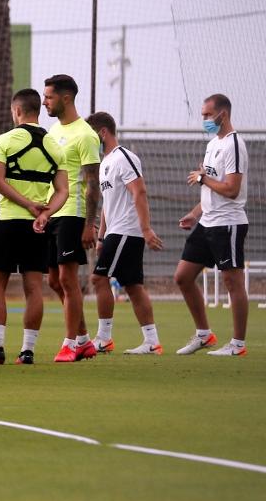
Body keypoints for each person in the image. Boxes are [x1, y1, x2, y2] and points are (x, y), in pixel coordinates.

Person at [0, 89, 69, 366]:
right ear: (37, 110)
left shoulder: (5, 140)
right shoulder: (55, 146)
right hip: (37, 226)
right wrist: (46, 212)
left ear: (16, 111)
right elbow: (63, 190)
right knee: (34, 288)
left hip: (7, 220)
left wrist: (27, 205)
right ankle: (27, 352)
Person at [173, 93, 251, 356]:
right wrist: (195, 213)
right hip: (207, 222)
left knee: (232, 281)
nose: (204, 119)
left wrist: (203, 179)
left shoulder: (234, 144)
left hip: (228, 223)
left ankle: (238, 344)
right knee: (183, 277)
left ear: (223, 115)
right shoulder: (212, 145)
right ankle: (204, 335)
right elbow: (210, 185)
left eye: (207, 115)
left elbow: (231, 189)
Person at [85, 111, 165, 355]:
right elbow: (108, 205)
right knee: (132, 285)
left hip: (127, 231)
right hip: (115, 233)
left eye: (90, 136)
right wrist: (101, 237)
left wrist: (146, 229)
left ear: (102, 133)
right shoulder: (104, 164)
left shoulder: (124, 157)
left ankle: (104, 338)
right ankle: (152, 341)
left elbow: (139, 192)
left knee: (99, 279)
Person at [43, 74, 102, 363]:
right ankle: (84, 339)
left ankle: (70, 344)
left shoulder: (86, 135)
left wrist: (90, 224)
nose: (44, 102)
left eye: (49, 97)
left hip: (73, 213)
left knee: (67, 279)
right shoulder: (52, 132)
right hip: (52, 213)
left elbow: (93, 184)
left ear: (66, 98)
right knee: (54, 280)